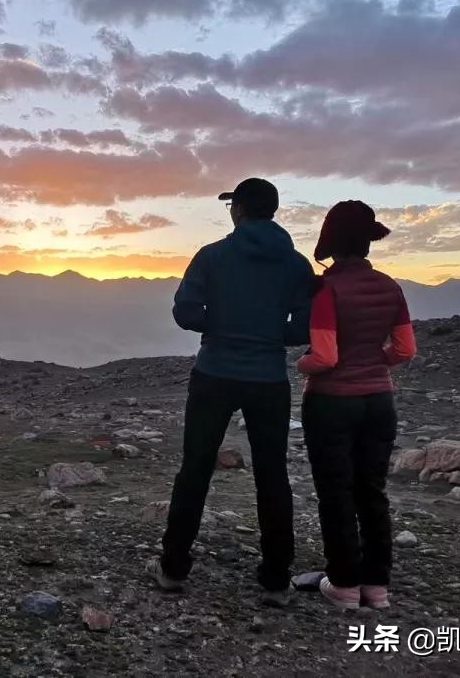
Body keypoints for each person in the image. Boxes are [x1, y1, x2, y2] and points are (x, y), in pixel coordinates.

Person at [147, 177, 316, 607]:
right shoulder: (296, 265)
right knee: (272, 474)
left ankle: (172, 569)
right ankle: (277, 579)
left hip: (214, 374)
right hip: (268, 379)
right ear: (273, 212)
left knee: (195, 470)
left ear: (238, 210)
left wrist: (221, 326)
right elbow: (304, 326)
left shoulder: (212, 256)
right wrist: (267, 334)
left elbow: (185, 313)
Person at [297, 200, 417, 610]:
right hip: (379, 402)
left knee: (336, 494)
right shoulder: (390, 287)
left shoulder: (326, 289)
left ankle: (344, 586)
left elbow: (326, 357)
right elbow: (405, 349)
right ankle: (376, 587)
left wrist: (301, 364)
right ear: (368, 241)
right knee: (372, 491)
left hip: (332, 403)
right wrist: (372, 362)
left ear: (330, 240)